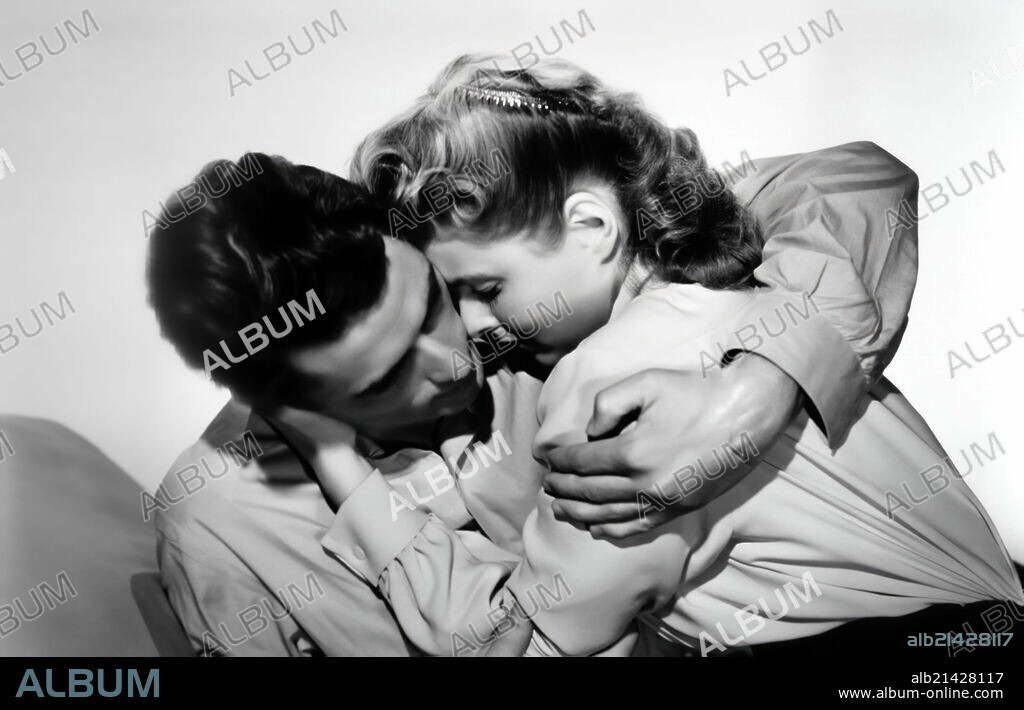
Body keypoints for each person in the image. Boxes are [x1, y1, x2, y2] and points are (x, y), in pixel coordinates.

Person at [315, 54, 1024, 656]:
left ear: (592, 225)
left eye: (486, 288)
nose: (473, 325)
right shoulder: (751, 273)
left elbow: (526, 639)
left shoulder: (601, 386)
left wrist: (342, 469)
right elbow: (867, 177)